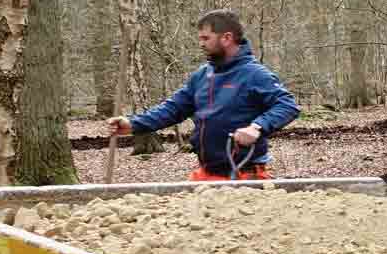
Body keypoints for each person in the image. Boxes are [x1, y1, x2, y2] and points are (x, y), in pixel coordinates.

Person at [107, 10, 300, 181]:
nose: (201, 44)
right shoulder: (202, 75)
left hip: (245, 174)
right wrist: (133, 124)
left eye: (205, 38)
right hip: (207, 173)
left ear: (226, 38)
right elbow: (172, 109)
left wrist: (257, 127)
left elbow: (287, 105)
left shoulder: (255, 74)